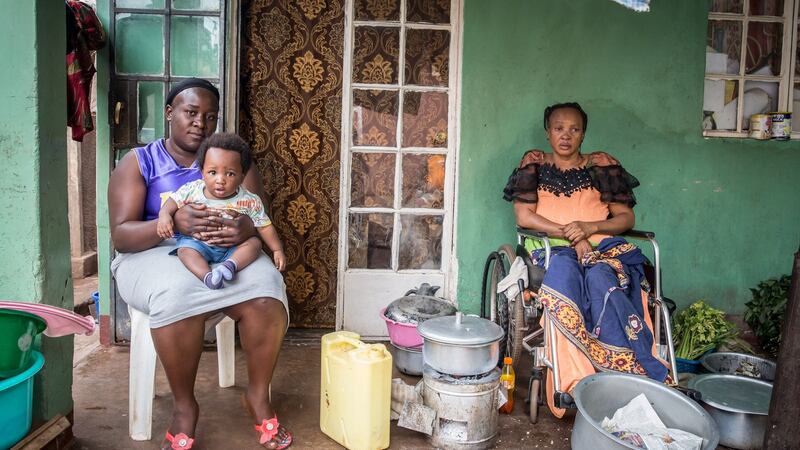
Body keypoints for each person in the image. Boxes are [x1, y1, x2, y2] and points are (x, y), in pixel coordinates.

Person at [109, 78, 292, 449]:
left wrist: (243, 228)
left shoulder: (233, 160)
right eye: (191, 113)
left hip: (227, 254)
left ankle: (257, 398)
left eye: (210, 116)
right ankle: (184, 407)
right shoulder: (139, 162)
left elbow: (258, 217)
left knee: (266, 291)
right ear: (169, 113)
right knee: (176, 293)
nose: (200, 123)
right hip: (151, 254)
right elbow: (122, 236)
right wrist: (171, 224)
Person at [502, 102, 668, 418]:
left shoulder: (602, 166)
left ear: (583, 133)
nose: (566, 135)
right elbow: (524, 215)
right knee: (565, 275)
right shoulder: (534, 164)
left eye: (574, 129)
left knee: (603, 279)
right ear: (548, 132)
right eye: (559, 128)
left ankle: (624, 376)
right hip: (553, 249)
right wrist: (570, 233)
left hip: (601, 249)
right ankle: (573, 380)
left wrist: (590, 228)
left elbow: (625, 217)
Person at [157, 132, 287, 289]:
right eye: (212, 172)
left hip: (233, 247)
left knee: (254, 244)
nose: (220, 180)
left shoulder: (249, 200)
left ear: (242, 176)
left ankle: (230, 266)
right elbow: (171, 202)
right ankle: (208, 277)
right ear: (202, 171)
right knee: (184, 250)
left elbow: (265, 226)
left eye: (230, 174)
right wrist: (164, 215)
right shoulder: (193, 190)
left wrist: (277, 249)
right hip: (198, 243)